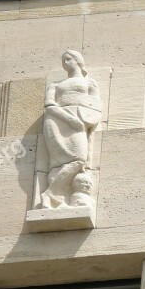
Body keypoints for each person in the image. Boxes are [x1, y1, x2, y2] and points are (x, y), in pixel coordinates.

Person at [40, 50, 102, 208]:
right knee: (58, 163)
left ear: (78, 60)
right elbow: (49, 105)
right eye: (63, 60)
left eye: (68, 59)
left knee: (79, 159)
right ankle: (56, 200)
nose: (65, 63)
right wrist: (70, 119)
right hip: (57, 120)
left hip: (80, 119)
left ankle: (50, 196)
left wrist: (80, 120)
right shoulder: (55, 85)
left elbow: (95, 107)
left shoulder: (89, 83)